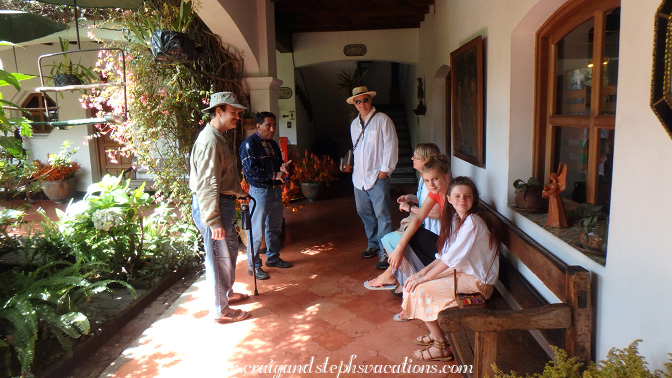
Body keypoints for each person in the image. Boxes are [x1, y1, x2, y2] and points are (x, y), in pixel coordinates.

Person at [401, 176, 499, 361]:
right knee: (413, 283)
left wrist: (423, 279)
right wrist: (420, 273)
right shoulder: (458, 218)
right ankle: (435, 334)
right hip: (464, 274)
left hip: (478, 284)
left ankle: (441, 346)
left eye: (467, 196)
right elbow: (445, 255)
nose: (462, 200)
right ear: (449, 199)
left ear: (474, 198)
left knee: (418, 290)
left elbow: (451, 260)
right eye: (458, 196)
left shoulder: (473, 222)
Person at [190, 91, 251, 323]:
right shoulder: (210, 141)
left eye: (237, 112)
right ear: (218, 111)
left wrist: (239, 192)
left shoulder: (218, 136)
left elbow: (221, 176)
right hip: (212, 207)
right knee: (218, 257)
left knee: (228, 254)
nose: (237, 116)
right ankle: (220, 311)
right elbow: (207, 183)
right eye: (233, 112)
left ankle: (225, 295)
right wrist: (213, 220)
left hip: (222, 203)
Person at [363, 144, 443, 293]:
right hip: (426, 229)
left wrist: (410, 208)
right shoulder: (424, 180)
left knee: (390, 240)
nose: (412, 158)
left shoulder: (434, 185)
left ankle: (398, 276)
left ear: (426, 161)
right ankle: (398, 276)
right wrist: (411, 198)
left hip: (434, 234)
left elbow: (437, 213)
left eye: (416, 157)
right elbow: (424, 204)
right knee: (395, 239)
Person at [345, 86, 399, 270]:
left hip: (377, 176)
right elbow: (357, 149)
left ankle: (386, 252)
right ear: (354, 104)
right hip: (359, 178)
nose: (362, 104)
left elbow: (391, 146)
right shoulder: (354, 124)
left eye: (365, 100)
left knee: (383, 215)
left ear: (371, 100)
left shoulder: (383, 120)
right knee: (364, 212)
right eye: (358, 101)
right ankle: (373, 244)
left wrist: (385, 171)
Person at [239, 111, 293, 280]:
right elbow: (250, 172)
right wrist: (274, 175)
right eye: (268, 125)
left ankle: (273, 257)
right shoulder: (249, 145)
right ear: (258, 126)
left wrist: (282, 170)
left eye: (274, 125)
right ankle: (253, 266)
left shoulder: (273, 145)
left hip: (275, 190)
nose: (272, 129)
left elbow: (278, 167)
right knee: (256, 231)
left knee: (275, 227)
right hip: (260, 192)